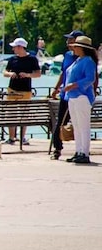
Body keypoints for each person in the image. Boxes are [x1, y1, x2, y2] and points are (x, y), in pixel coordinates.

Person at [63, 35, 98, 164]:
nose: (74, 49)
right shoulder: (78, 60)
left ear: (81, 48)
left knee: (83, 126)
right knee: (77, 126)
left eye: (76, 47)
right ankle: (79, 151)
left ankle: (85, 152)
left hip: (82, 96)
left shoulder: (88, 61)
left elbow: (90, 79)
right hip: (72, 96)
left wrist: (74, 85)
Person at [50, 29, 83, 160]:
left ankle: (80, 150)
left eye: (71, 39)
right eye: (68, 39)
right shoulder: (68, 55)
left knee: (78, 123)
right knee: (60, 122)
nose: (68, 42)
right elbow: (63, 73)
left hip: (78, 95)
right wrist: (56, 88)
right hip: (65, 95)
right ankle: (57, 149)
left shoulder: (84, 58)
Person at [2, 37, 41, 145]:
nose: (13, 49)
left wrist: (27, 75)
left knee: (24, 114)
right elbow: (5, 72)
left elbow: (38, 74)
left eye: (14, 47)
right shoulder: (12, 59)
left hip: (25, 90)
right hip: (12, 89)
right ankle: (11, 137)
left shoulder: (32, 59)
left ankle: (22, 137)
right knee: (10, 114)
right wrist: (11, 74)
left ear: (20, 47)